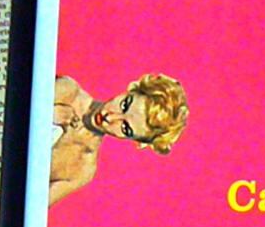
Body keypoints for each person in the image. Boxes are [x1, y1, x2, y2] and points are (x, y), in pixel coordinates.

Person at [50, 73, 189, 206]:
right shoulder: (68, 91)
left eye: (125, 128)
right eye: (124, 105)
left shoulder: (82, 168)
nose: (110, 117)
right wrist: (46, 113)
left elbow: (38, 209)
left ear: (134, 139)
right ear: (130, 91)